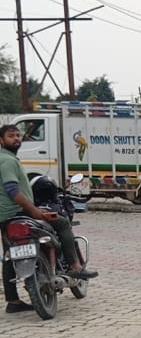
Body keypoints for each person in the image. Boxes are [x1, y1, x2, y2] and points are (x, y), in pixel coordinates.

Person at [0, 123, 97, 313]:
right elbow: (13, 191)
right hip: (18, 212)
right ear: (1, 140)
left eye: (18, 135)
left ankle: (13, 301)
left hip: (5, 217)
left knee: (10, 255)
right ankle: (75, 266)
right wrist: (34, 211)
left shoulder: (6, 159)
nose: (17, 138)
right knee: (61, 222)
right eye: (11, 135)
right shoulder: (8, 160)